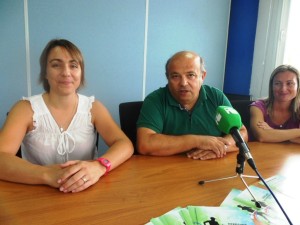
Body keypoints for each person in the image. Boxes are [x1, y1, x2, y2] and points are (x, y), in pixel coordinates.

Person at [0, 39, 133, 193]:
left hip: (86, 192)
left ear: (81, 73)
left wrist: (99, 166)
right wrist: (46, 174)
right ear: (45, 72)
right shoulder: (25, 109)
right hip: (36, 195)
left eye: (73, 65)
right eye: (56, 65)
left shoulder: (93, 107)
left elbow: (125, 144)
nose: (66, 72)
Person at [136, 51, 248, 160]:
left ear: (202, 76)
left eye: (191, 75)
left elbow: (241, 132)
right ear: (167, 77)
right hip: (168, 171)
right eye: (175, 76)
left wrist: (220, 147)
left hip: (212, 167)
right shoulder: (155, 100)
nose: (183, 83)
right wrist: (198, 141)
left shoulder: (216, 96)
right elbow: (145, 144)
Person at [250, 64, 300, 143]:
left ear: (298, 86)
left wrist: (272, 131)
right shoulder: (258, 107)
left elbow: (267, 135)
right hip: (260, 153)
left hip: (292, 155)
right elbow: (262, 136)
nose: (283, 89)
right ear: (271, 86)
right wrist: (298, 133)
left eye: (289, 83)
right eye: (277, 83)